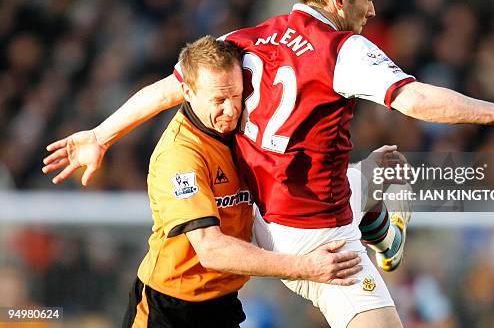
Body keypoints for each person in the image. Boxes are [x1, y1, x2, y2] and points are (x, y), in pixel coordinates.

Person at [43, 0, 494, 328]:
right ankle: (374, 228)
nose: (373, 11)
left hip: (258, 212)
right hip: (314, 236)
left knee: (387, 167)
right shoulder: (342, 49)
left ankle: (379, 223)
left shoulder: (242, 40)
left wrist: (102, 135)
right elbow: (416, 100)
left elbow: (165, 90)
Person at [119, 36, 362, 327]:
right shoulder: (180, 155)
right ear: (187, 91)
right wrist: (305, 267)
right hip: (169, 308)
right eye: (218, 100)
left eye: (236, 96)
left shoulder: (246, 126)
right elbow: (211, 249)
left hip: (223, 301)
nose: (231, 110)